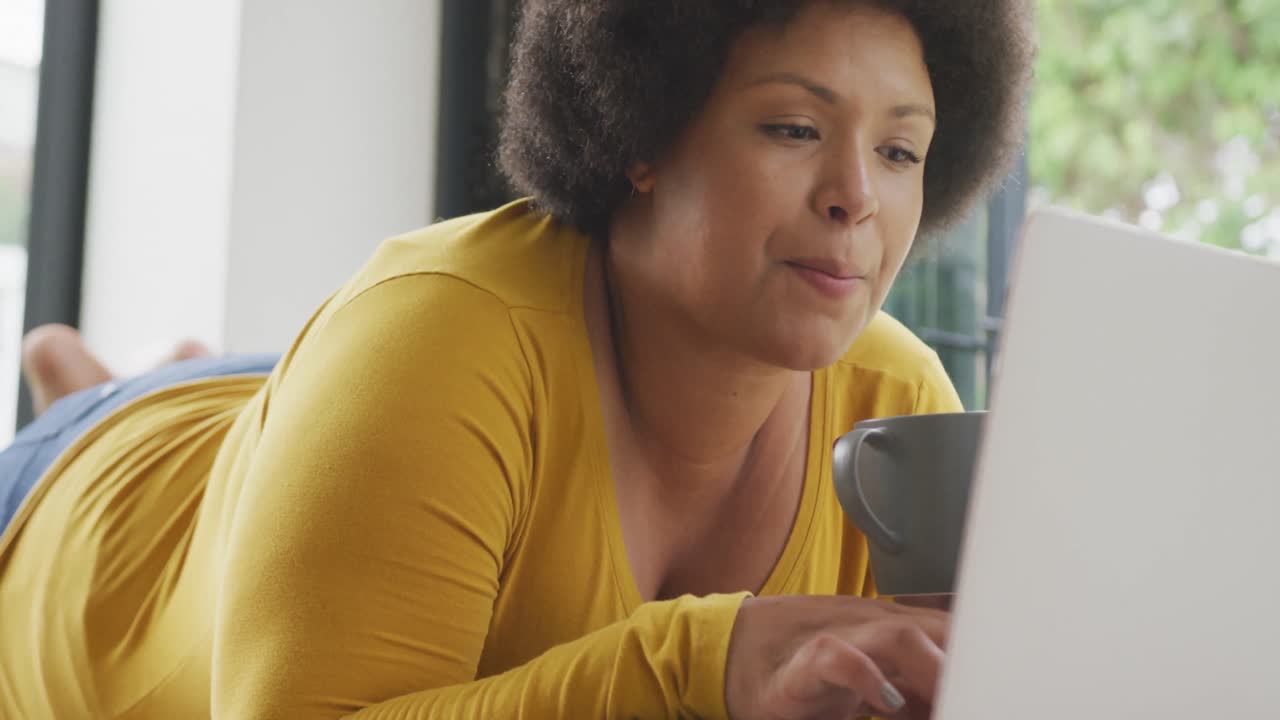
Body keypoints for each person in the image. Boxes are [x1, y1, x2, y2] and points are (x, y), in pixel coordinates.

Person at [0, 0, 1033, 717]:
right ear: (644, 132)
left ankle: (183, 377)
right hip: (81, 528)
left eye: (899, 150)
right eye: (794, 127)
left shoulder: (892, 408)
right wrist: (697, 660)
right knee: (175, 418)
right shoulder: (432, 333)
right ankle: (94, 390)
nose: (856, 194)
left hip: (338, 434)